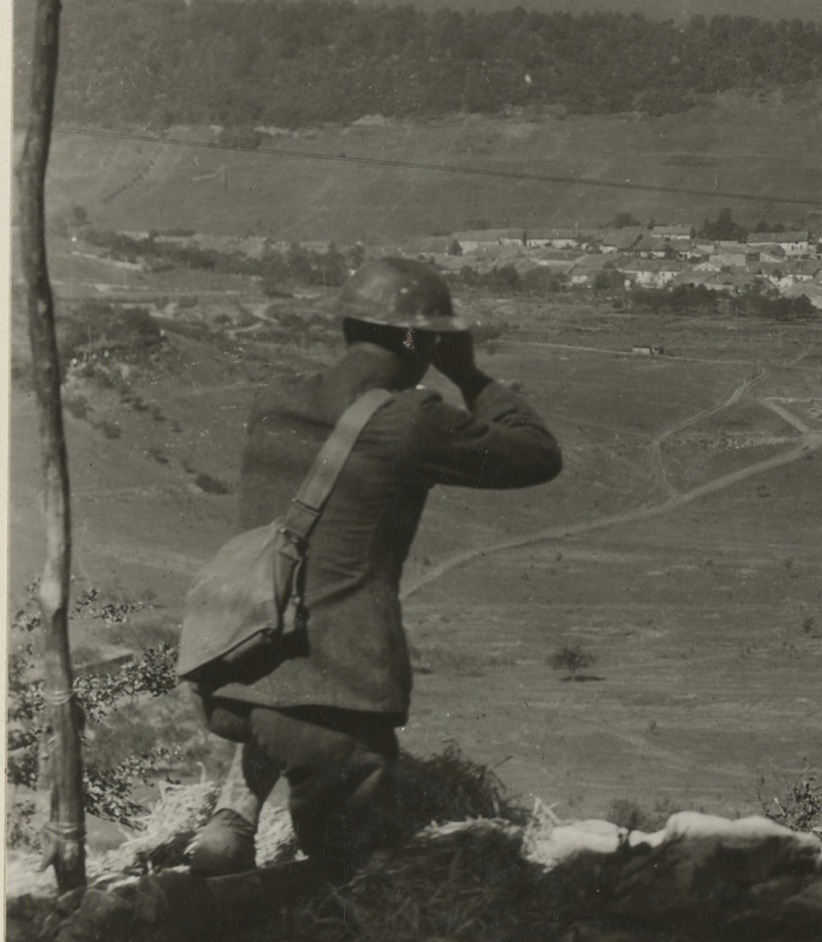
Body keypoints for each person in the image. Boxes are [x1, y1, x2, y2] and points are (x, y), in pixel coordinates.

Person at [182, 257, 562, 876]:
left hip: (243, 681)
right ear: (420, 343)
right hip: (336, 703)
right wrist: (467, 372)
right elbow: (538, 454)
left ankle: (234, 814)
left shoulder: (273, 400)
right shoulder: (410, 420)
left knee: (291, 696)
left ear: (348, 328)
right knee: (361, 882)